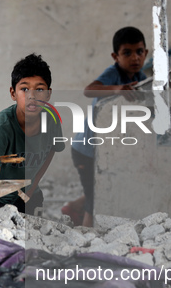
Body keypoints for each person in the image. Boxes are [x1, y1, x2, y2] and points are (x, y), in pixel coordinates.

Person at [61, 26, 149, 227]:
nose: (135, 58)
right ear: (115, 56)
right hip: (86, 150)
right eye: (127, 53)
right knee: (95, 200)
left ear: (146, 53)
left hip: (106, 149)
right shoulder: (113, 74)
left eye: (139, 52)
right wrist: (117, 89)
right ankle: (86, 242)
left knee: (101, 188)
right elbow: (89, 90)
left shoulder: (142, 80)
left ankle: (72, 207)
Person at [0, 53, 64, 215]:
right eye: (24, 89)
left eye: (39, 89)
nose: (32, 96)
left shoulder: (52, 121)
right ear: (13, 93)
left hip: (28, 195)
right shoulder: (0, 128)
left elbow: (51, 150)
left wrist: (30, 189)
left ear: (48, 94)